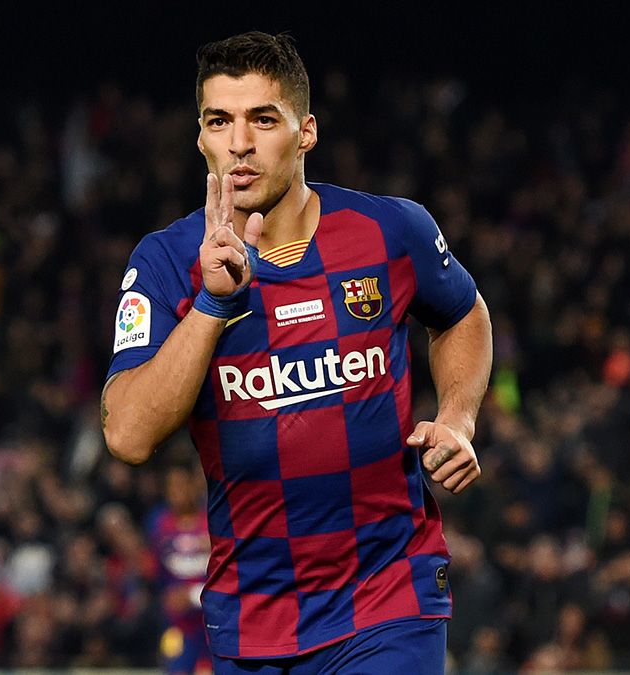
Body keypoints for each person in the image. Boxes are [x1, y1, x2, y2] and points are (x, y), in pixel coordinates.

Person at [101, 31, 493, 673]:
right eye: (219, 121)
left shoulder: (390, 231)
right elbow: (128, 435)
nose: (240, 143)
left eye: (263, 119)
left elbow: (463, 312)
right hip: (250, 617)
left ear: (305, 132)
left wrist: (458, 416)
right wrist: (212, 306)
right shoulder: (166, 263)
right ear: (199, 137)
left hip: (388, 599)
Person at [148, 463, 212, 674]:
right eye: (172, 486)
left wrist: (193, 596)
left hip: (211, 624)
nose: (177, 491)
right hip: (177, 626)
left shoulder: (211, 522)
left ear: (194, 486)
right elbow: (154, 572)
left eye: (182, 485)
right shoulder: (159, 525)